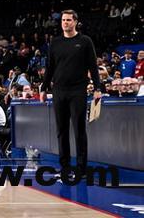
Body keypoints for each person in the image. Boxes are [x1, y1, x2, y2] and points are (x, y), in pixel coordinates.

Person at [40, 10, 101, 181]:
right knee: (61, 131)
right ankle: (65, 168)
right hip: (58, 91)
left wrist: (98, 87)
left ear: (75, 22)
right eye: (63, 20)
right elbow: (50, 67)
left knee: (79, 130)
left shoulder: (85, 41)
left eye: (68, 20)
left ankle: (81, 169)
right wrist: (44, 88)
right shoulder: (55, 42)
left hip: (78, 91)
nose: (65, 23)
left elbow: (93, 66)